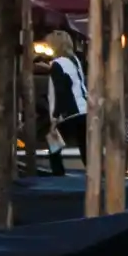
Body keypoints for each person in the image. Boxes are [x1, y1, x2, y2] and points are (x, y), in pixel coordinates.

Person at [46, 30, 87, 174]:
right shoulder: (75, 60)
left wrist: (55, 117)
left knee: (53, 141)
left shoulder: (57, 64)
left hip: (70, 111)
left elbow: (61, 91)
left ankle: (58, 174)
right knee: (84, 145)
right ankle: (95, 174)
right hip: (84, 107)